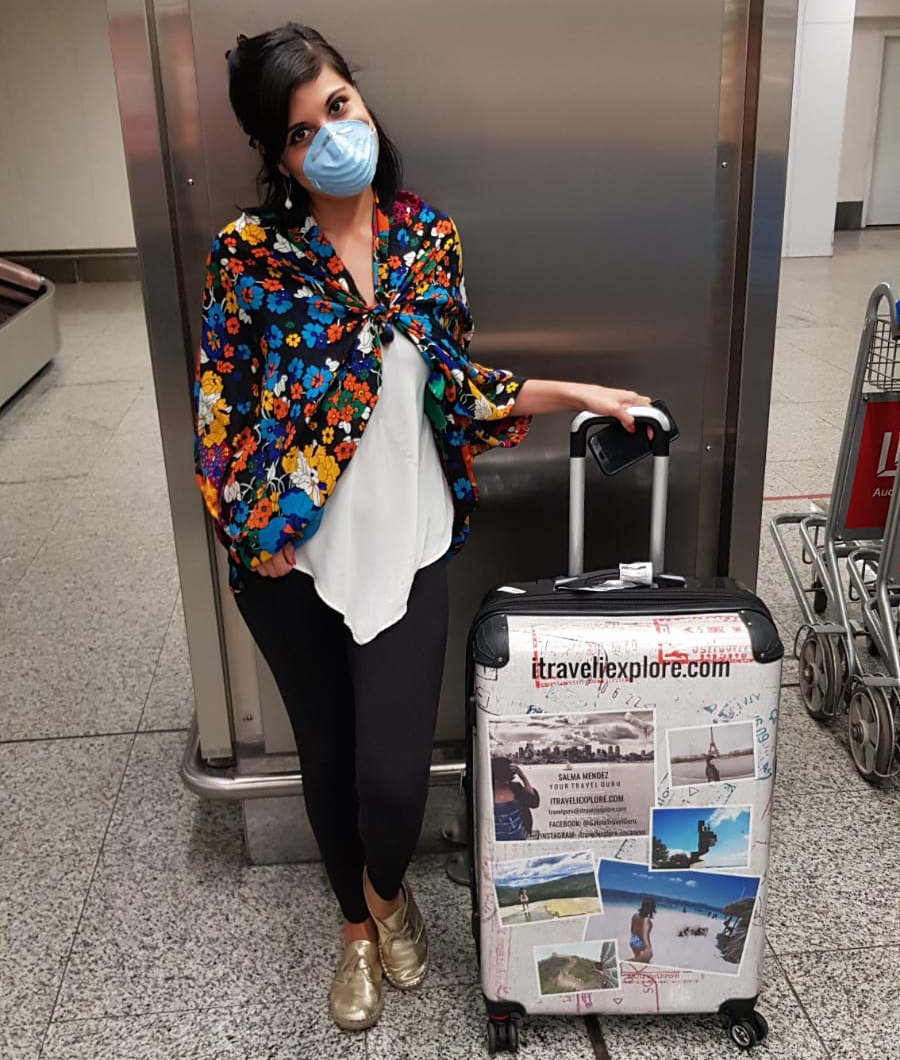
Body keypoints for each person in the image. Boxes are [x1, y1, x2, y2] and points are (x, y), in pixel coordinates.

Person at [193, 23, 652, 1033]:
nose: (330, 137)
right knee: (328, 758)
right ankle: (357, 929)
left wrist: (581, 391)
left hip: (407, 542)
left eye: (337, 106)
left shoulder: (427, 239)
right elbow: (218, 407)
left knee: (393, 780)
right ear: (278, 156)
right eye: (301, 131)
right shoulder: (249, 255)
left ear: (361, 100)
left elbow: (455, 386)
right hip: (291, 557)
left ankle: (388, 891)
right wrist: (248, 530)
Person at [492, 758, 541, 842]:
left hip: (519, 839)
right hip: (496, 842)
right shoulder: (486, 792)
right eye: (502, 780)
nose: (506, 782)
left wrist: (522, 777)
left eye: (509, 779)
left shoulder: (515, 788)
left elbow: (534, 802)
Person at [630, 897, 656, 963]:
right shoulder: (646, 919)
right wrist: (648, 948)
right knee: (642, 961)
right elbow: (644, 934)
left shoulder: (635, 915)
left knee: (638, 960)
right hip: (641, 942)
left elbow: (632, 930)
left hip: (633, 939)